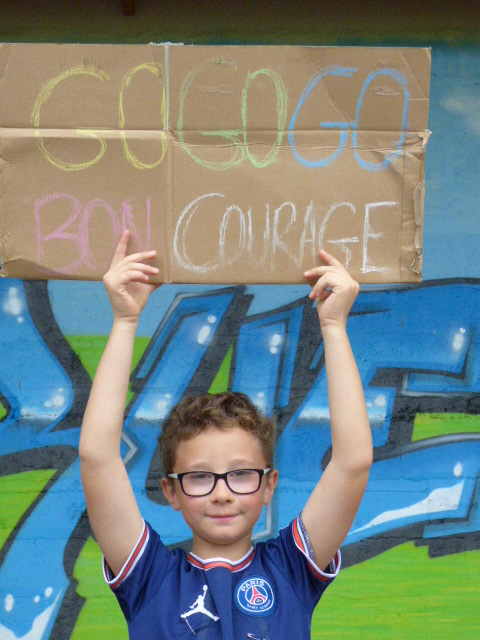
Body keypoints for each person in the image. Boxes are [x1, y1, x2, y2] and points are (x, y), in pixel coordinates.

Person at [80, 229, 373, 640]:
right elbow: (98, 460)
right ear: (171, 491)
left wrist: (334, 326)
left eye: (241, 474)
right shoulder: (150, 577)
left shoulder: (290, 570)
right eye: (200, 476)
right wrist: (126, 321)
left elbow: (352, 463)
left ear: (269, 484)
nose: (222, 493)